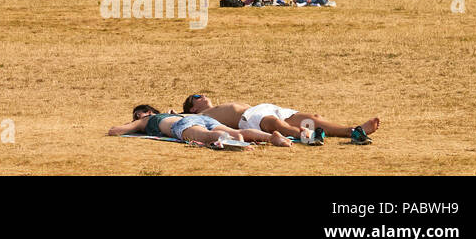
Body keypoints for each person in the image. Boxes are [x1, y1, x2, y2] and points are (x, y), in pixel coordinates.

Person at [181, 94, 379, 145]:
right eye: (197, 96)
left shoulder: (213, 107)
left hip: (263, 107)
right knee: (278, 125)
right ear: (193, 107)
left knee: (312, 118)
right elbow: (173, 119)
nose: (203, 95)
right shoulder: (198, 116)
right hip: (248, 117)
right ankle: (307, 137)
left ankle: (353, 131)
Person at [107, 105, 290, 147]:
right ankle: (271, 138)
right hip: (200, 118)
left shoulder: (145, 120)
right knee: (236, 131)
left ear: (143, 113)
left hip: (182, 125)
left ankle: (236, 142)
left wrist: (133, 124)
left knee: (204, 136)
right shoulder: (174, 113)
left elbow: (115, 131)